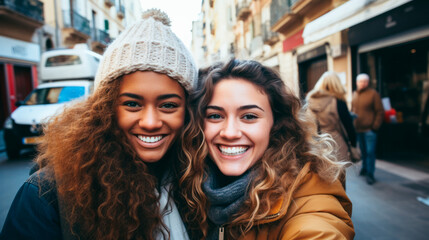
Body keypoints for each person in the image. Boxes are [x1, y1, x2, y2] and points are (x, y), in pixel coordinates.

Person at [0, 9, 196, 240]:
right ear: (105, 108)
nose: (150, 122)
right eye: (132, 104)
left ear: (188, 111)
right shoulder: (47, 195)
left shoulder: (198, 185)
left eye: (168, 105)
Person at [179, 59, 355, 239]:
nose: (230, 133)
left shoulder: (308, 196)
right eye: (215, 116)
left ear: (276, 124)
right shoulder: (187, 183)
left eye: (249, 116)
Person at [306, 71, 357, 187]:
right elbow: (348, 126)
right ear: (336, 84)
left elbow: (308, 125)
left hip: (318, 144)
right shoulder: (338, 101)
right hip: (336, 143)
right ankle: (340, 203)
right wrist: (353, 144)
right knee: (340, 179)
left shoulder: (311, 100)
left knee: (323, 179)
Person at [352, 73, 384, 185]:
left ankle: (370, 174)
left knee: (370, 152)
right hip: (359, 129)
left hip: (370, 130)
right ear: (357, 83)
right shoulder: (355, 94)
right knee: (364, 152)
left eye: (364, 81)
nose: (362, 83)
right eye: (360, 81)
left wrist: (375, 126)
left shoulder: (373, 94)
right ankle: (364, 169)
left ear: (368, 82)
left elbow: (380, 111)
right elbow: (353, 109)